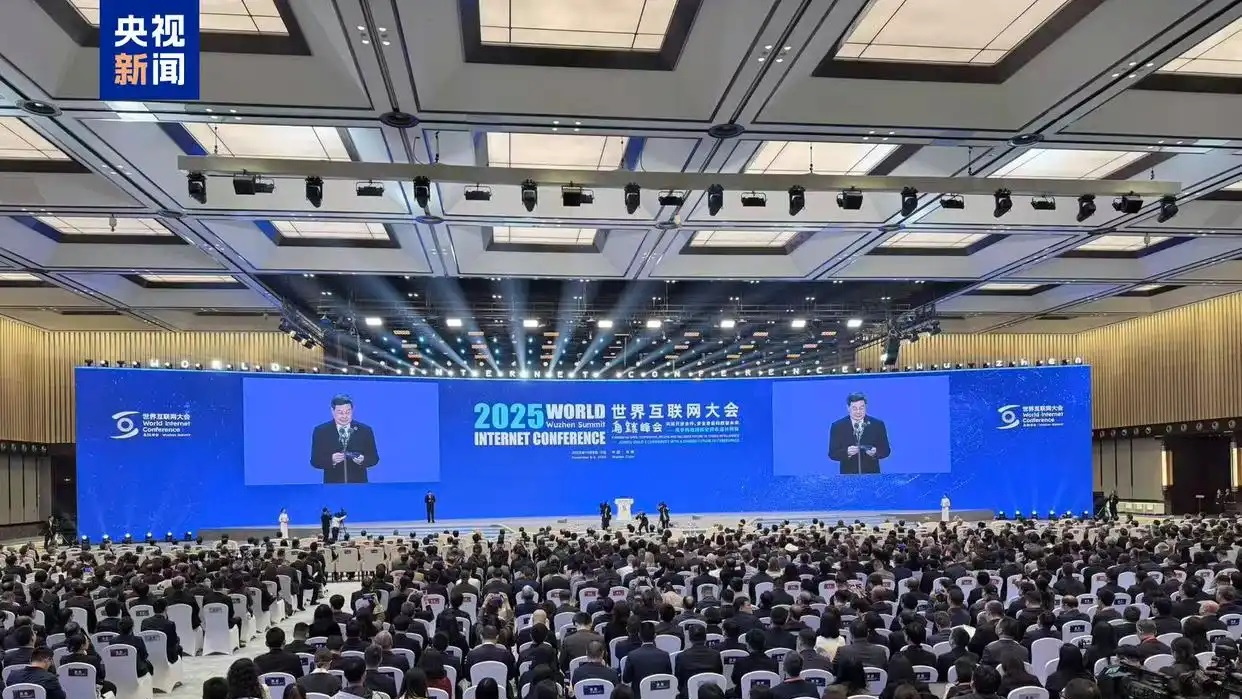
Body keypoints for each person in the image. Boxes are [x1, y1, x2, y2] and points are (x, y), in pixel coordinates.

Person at [310, 394, 380, 484]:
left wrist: (363, 460)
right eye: (340, 412)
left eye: (348, 412)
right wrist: (331, 460)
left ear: (352, 410)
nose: (344, 416)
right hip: (332, 486)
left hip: (359, 485)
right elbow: (315, 461)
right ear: (332, 411)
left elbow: (374, 459)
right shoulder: (321, 431)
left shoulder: (364, 430)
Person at [827, 392, 891, 474]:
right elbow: (832, 454)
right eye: (854, 408)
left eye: (861, 408)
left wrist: (875, 452)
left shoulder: (877, 425)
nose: (858, 412)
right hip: (848, 476)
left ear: (866, 407)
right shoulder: (838, 426)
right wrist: (847, 452)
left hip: (872, 476)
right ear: (848, 408)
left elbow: (886, 451)